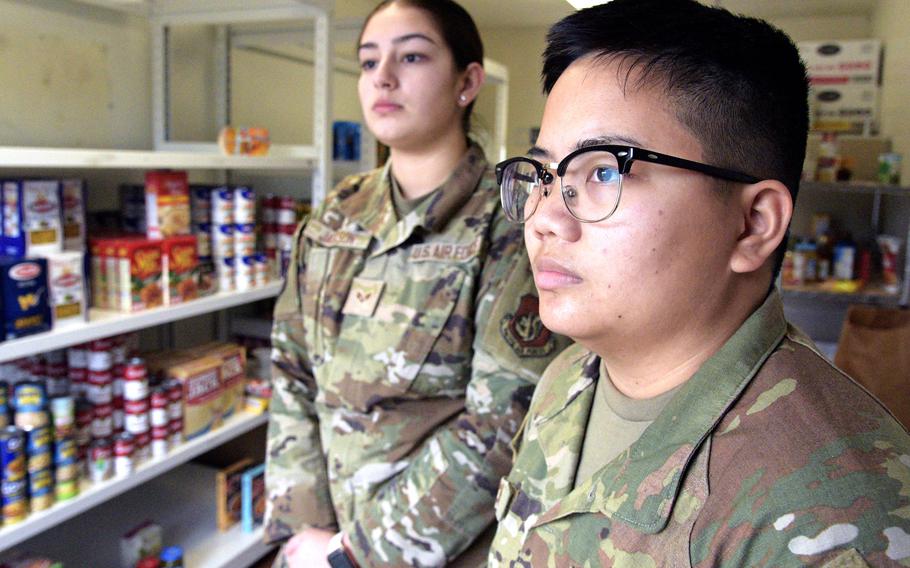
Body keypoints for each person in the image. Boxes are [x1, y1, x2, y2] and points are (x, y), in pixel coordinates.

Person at [487, 0, 910, 566]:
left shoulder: (835, 513)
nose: (543, 217)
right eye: (544, 173)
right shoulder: (568, 378)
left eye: (604, 171)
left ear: (753, 224)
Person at [263, 1, 568, 567]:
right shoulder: (335, 216)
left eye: (412, 56)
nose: (383, 76)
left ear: (467, 82)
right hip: (319, 541)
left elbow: (508, 422)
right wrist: (303, 528)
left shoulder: (512, 225)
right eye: (368, 61)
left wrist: (354, 554)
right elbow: (291, 369)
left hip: (433, 549)